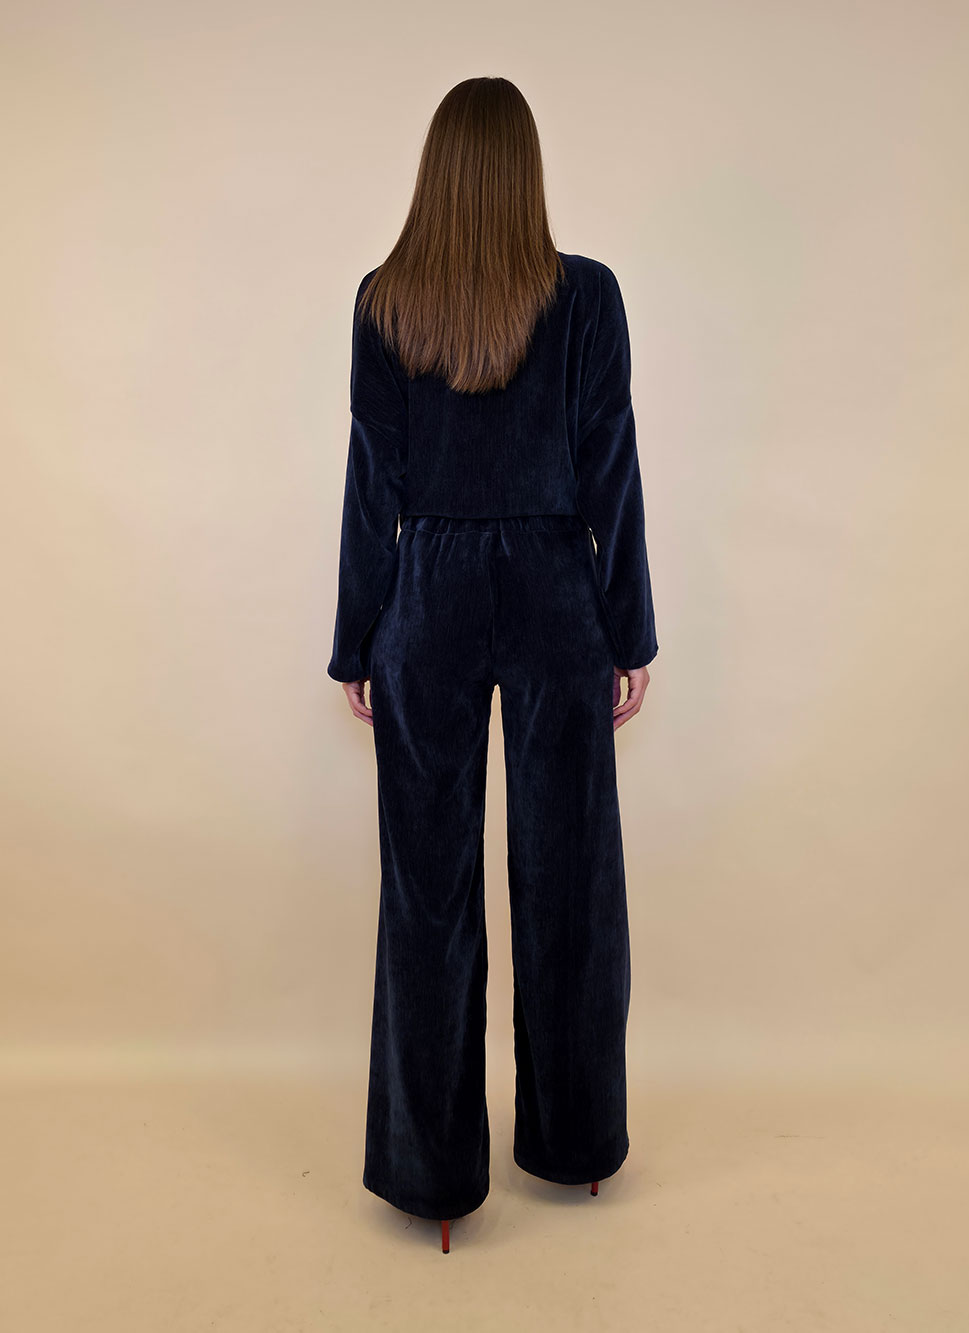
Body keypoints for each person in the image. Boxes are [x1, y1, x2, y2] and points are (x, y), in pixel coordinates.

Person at [326, 76, 658, 1254]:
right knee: (570, 875)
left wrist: (358, 636)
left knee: (427, 890)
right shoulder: (587, 297)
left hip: (429, 593)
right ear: (525, 169)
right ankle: (575, 1144)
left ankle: (431, 1177)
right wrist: (626, 629)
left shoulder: (386, 300)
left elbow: (374, 478)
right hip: (557, 587)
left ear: (437, 172)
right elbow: (609, 462)